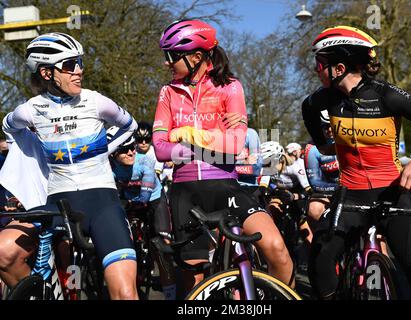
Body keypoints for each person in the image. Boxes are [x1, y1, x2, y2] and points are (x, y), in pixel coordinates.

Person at [302, 26, 411, 300]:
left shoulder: (387, 95)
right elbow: (318, 133)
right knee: (320, 261)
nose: (315, 70)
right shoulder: (317, 102)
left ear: (340, 67)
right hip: (351, 195)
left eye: (320, 64)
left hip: (393, 193)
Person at [153, 19, 294, 293]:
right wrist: (208, 142)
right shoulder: (168, 93)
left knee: (278, 252)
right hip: (185, 192)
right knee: (192, 284)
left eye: (172, 56)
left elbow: (235, 144)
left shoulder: (230, 87)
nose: (166, 63)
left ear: (196, 57)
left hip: (225, 186)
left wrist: (188, 134)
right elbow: (159, 149)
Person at [0, 33, 138, 299]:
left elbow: (129, 126)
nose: (79, 71)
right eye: (70, 64)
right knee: (5, 253)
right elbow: (9, 128)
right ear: (47, 73)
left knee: (124, 293)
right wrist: (31, 156)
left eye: (80, 62)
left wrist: (101, 148)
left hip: (101, 201)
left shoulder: (97, 101)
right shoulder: (30, 110)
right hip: (58, 202)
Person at [107, 126, 176, 300]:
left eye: (132, 147)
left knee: (162, 245)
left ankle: (171, 295)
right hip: (129, 201)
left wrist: (142, 197)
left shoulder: (144, 160)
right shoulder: (107, 167)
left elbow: (146, 188)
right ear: (113, 153)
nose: (131, 152)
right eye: (124, 150)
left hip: (153, 198)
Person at [303, 110, 339, 223]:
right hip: (329, 192)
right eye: (325, 127)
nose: (329, 130)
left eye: (332, 125)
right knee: (314, 209)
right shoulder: (312, 149)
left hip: (354, 188)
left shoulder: (353, 141)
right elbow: (315, 183)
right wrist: (339, 187)